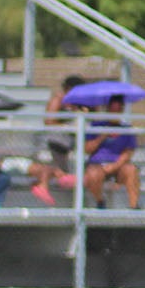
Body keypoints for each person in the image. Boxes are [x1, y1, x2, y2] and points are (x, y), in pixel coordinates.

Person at [25, 73, 86, 205]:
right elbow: (49, 121)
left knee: (63, 169)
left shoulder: (76, 104)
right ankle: (42, 184)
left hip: (67, 143)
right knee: (53, 165)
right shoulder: (59, 99)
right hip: (55, 140)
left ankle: (63, 178)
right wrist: (66, 124)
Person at [81, 95, 139, 209]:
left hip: (118, 164)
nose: (115, 113)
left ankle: (134, 205)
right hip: (97, 164)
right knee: (93, 174)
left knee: (131, 170)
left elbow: (128, 152)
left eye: (118, 110)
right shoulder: (95, 126)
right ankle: (100, 201)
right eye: (113, 110)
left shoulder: (127, 129)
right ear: (107, 110)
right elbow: (87, 149)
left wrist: (115, 165)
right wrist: (102, 137)